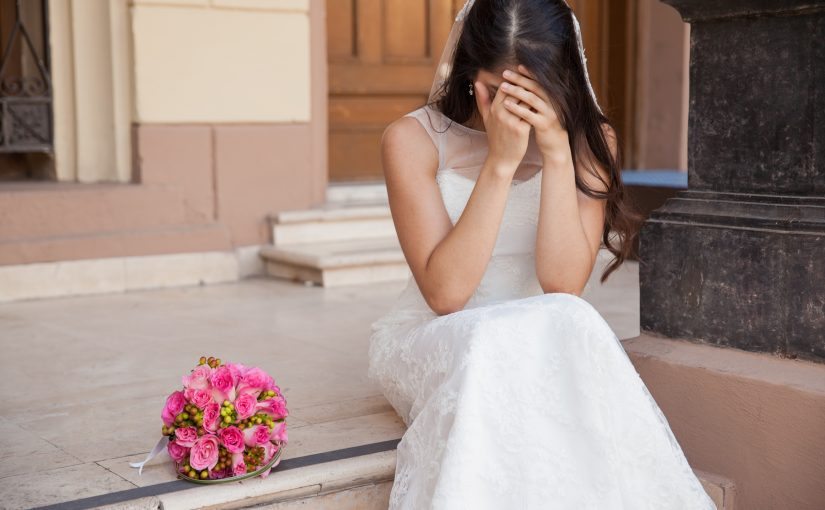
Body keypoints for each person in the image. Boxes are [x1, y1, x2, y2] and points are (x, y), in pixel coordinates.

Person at [367, 0, 717, 508]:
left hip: (543, 334)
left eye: (532, 94)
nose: (511, 109)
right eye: (497, 91)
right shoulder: (413, 140)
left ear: (562, 80)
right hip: (444, 334)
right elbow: (446, 295)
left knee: (572, 318)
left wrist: (556, 153)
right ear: (469, 75)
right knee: (496, 342)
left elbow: (562, 285)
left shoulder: (591, 144)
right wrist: (500, 164)